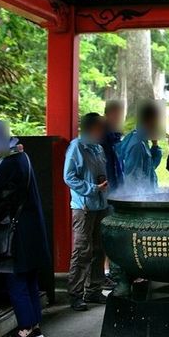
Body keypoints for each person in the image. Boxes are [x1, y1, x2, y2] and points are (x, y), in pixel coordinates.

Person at [0, 118, 50, 337]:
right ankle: (34, 326)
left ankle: (26, 331)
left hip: (16, 235)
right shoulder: (21, 157)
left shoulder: (8, 164)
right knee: (29, 281)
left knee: (16, 282)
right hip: (31, 231)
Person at [64, 112, 111, 311]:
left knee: (99, 249)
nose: (103, 131)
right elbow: (69, 177)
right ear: (91, 128)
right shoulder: (76, 147)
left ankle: (94, 290)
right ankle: (76, 294)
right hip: (83, 207)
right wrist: (92, 189)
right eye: (100, 127)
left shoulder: (98, 148)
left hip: (101, 205)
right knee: (82, 250)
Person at [119, 101, 163, 191]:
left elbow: (150, 168)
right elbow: (133, 180)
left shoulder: (143, 140)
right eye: (158, 120)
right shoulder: (137, 144)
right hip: (140, 199)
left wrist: (155, 146)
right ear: (151, 120)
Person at [101, 100, 125, 190]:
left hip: (118, 190)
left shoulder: (117, 139)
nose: (118, 118)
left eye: (120, 115)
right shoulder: (101, 138)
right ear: (106, 115)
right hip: (105, 189)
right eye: (115, 115)